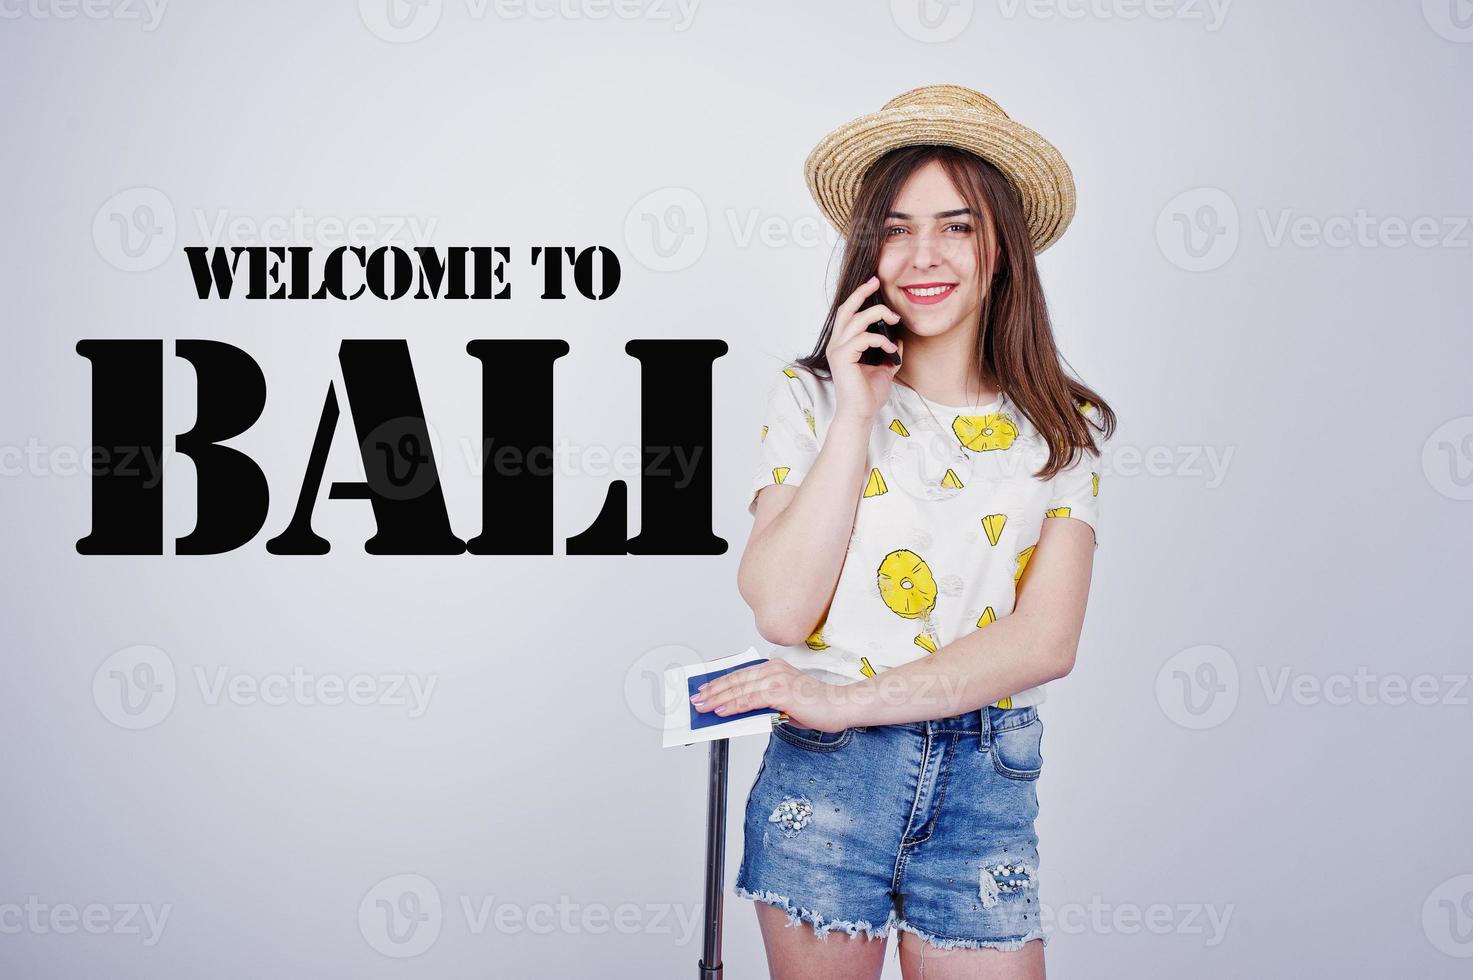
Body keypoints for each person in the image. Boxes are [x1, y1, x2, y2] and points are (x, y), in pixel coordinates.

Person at [690, 84, 1116, 979]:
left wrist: (845, 697)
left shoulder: (1063, 427)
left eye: (956, 226)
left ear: (1001, 246)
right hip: (827, 772)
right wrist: (856, 413)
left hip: (980, 776)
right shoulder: (809, 398)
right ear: (867, 250)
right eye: (895, 227)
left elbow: (1045, 641)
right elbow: (780, 607)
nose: (923, 253)